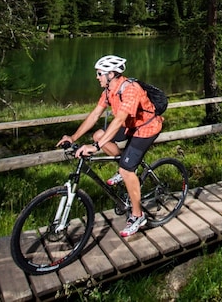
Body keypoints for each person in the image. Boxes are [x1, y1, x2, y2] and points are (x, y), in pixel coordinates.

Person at [58, 54, 162, 238]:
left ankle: (138, 216)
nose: (97, 77)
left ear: (111, 74)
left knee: (126, 170)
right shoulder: (108, 91)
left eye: (99, 74)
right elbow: (95, 115)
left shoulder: (130, 90)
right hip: (130, 125)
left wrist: (96, 147)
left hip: (146, 128)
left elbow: (119, 119)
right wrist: (73, 137)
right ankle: (126, 165)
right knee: (99, 134)